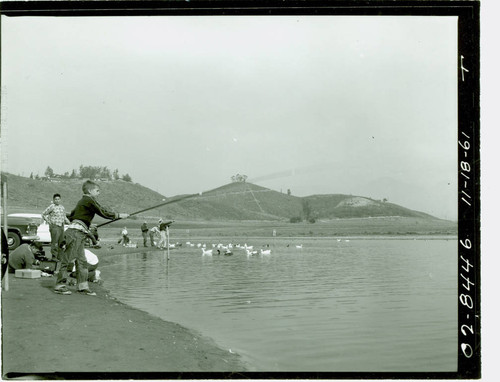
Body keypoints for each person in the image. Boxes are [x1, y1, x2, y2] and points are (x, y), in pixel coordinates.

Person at [54, 180, 128, 296]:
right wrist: (118, 215)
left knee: (82, 261)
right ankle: (60, 285)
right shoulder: (89, 200)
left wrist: (84, 222)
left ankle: (82, 286)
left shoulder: (82, 201)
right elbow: (102, 211)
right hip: (75, 233)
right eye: (97, 191)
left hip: (78, 233)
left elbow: (73, 215)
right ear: (90, 191)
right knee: (68, 260)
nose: (99, 193)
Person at [42, 193, 71, 261]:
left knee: (61, 242)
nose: (57, 200)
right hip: (54, 226)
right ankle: (54, 256)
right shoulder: (52, 206)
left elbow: (64, 217)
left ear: (60, 200)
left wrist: (69, 223)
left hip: (61, 226)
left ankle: (60, 256)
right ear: (53, 200)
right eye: (56, 199)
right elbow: (43, 214)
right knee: (54, 242)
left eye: (58, 199)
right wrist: (49, 221)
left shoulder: (62, 207)